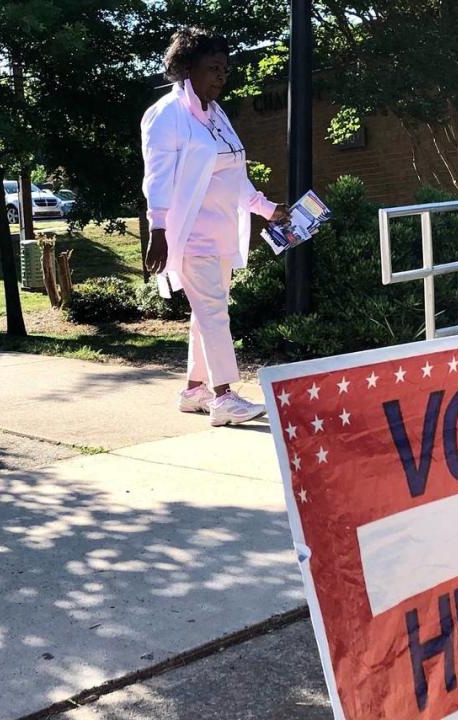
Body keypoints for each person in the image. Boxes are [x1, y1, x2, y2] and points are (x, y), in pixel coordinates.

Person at [141, 28, 287, 427]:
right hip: (190, 237)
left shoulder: (216, 115)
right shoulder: (166, 115)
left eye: (224, 69)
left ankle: (194, 390)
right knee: (214, 314)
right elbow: (157, 177)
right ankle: (223, 397)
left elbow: (234, 176)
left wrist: (267, 209)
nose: (221, 76)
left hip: (222, 235)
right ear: (187, 68)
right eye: (213, 68)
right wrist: (157, 229)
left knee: (206, 313)